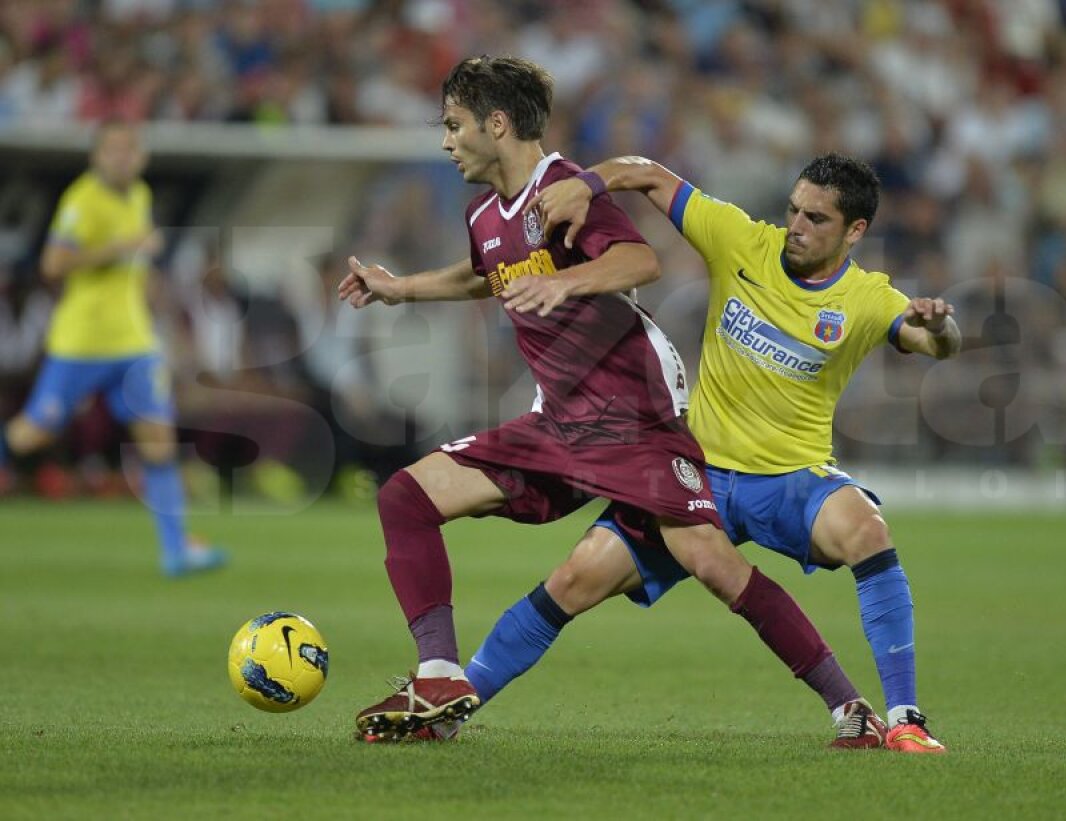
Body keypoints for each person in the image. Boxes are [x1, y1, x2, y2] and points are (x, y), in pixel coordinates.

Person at [338, 56, 885, 746]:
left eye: (454, 125)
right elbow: (487, 275)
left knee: (714, 566)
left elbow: (639, 261)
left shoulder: (563, 190)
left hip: (634, 421)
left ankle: (850, 708)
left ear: (496, 124)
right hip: (557, 422)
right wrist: (402, 288)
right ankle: (442, 675)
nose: (446, 141)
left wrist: (568, 285)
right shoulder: (485, 213)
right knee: (408, 498)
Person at [440, 153, 961, 753]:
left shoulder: (868, 298)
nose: (795, 225)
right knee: (576, 577)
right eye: (793, 209)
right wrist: (584, 186)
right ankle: (452, 705)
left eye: (816, 219)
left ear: (855, 231)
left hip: (789, 479)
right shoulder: (740, 239)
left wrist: (940, 326)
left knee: (868, 530)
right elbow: (646, 172)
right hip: (693, 473)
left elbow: (934, 345)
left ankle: (905, 718)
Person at [0, 120, 227, 577]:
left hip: (134, 344)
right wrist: (118, 246)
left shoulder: (139, 195)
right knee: (33, 432)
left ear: (140, 157)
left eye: (129, 151)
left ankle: (175, 550)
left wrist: (149, 281)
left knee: (158, 441)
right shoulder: (82, 202)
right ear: (96, 157)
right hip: (81, 344)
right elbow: (53, 264)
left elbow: (134, 267)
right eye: (113, 150)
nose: (122, 158)